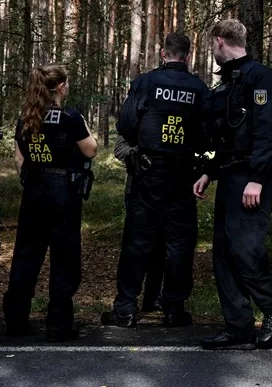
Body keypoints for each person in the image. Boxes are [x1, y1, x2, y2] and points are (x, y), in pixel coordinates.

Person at [194, 19, 272, 351]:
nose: (212, 50)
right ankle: (238, 326)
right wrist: (209, 172)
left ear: (220, 41)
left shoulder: (259, 77)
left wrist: (257, 179)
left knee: (245, 249)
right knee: (223, 251)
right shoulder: (229, 82)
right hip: (230, 174)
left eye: (212, 45)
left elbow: (267, 132)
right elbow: (227, 135)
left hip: (252, 176)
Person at [104, 33, 209, 328]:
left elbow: (126, 124)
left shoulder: (146, 83)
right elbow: (207, 134)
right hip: (182, 174)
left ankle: (125, 309)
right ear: (188, 55)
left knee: (137, 241)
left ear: (163, 53)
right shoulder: (199, 89)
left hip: (147, 173)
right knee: (180, 244)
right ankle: (174, 309)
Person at [3, 64, 98, 342]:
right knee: (64, 260)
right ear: (61, 87)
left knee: (26, 256)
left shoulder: (27, 117)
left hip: (34, 191)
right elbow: (91, 150)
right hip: (63, 193)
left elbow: (19, 159)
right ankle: (58, 325)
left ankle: (16, 321)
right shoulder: (70, 117)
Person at [113, 134, 167, 313]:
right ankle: (127, 302)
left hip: (167, 190)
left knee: (161, 247)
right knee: (136, 247)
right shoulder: (135, 120)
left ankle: (153, 298)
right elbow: (119, 149)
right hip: (137, 190)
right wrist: (143, 154)